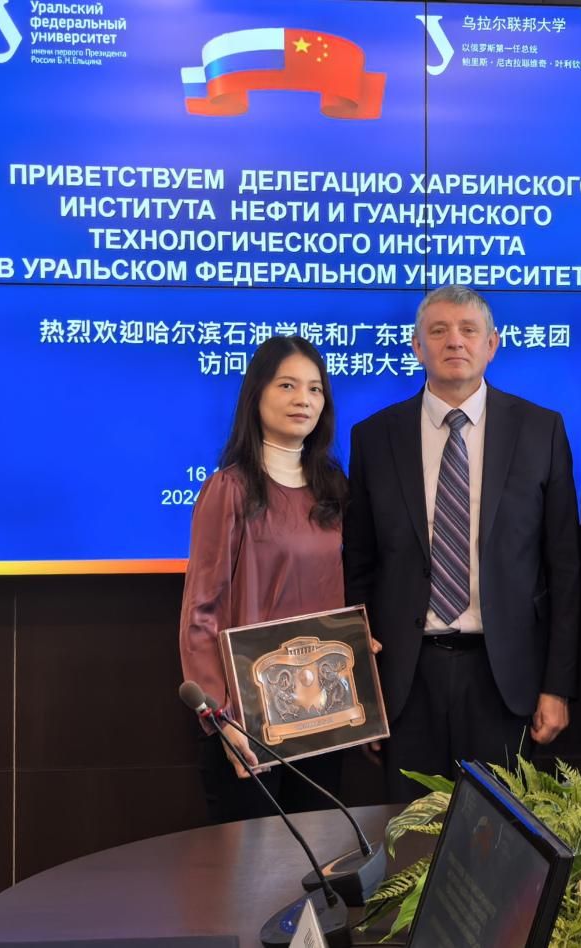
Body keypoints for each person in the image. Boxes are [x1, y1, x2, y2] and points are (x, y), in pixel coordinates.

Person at [343, 285, 581, 803]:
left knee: (502, 836)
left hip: (506, 678)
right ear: (416, 346)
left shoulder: (540, 430)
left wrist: (557, 685)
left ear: (492, 344)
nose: (455, 341)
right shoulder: (375, 436)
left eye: (469, 330)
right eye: (439, 331)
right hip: (406, 680)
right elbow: (358, 568)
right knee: (410, 833)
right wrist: (363, 692)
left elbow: (564, 568)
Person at [179, 335, 362, 823]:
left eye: (315, 389)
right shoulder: (229, 489)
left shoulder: (334, 489)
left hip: (323, 714)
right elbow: (200, 613)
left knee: (320, 858)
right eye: (287, 385)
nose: (304, 399)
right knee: (253, 865)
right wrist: (220, 718)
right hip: (249, 719)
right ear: (256, 394)